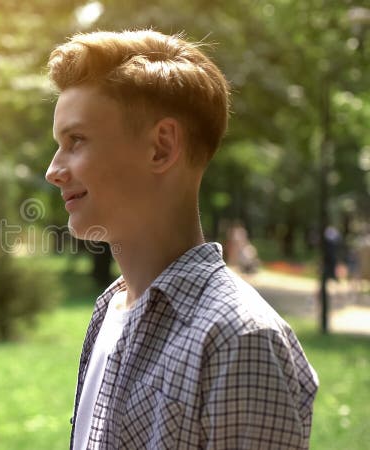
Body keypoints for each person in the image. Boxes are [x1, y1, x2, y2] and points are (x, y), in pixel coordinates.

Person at [44, 30, 318, 449]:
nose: (53, 170)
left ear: (161, 147)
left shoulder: (238, 341)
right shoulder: (112, 308)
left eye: (75, 141)